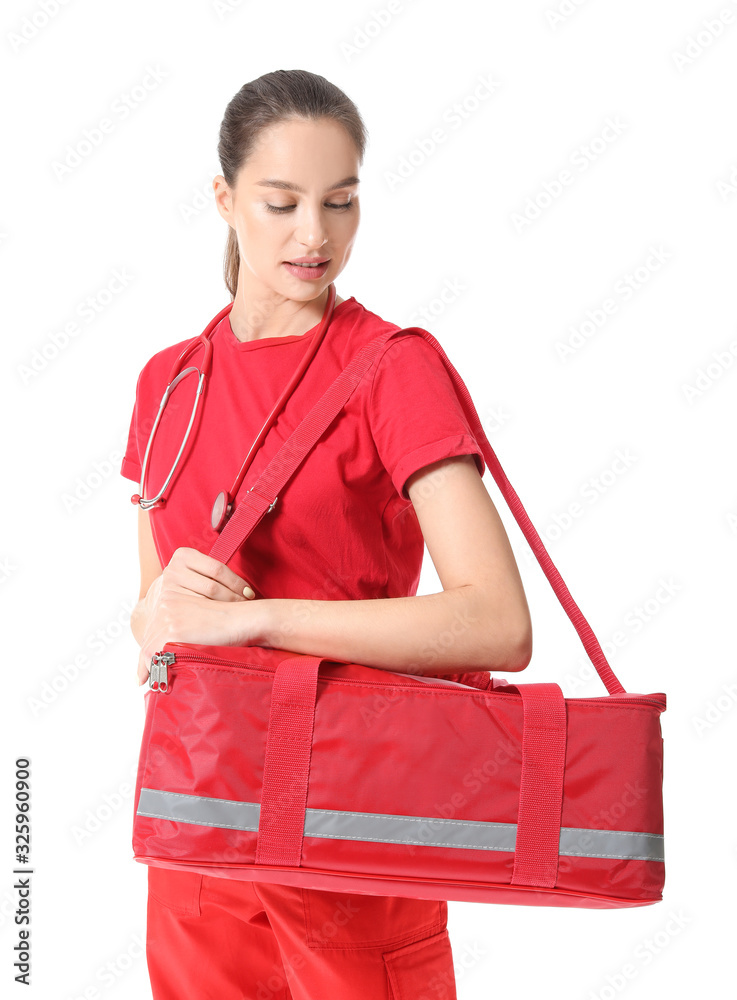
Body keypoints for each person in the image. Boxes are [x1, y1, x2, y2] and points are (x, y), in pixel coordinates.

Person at [121, 69, 532, 1000]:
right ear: (225, 200)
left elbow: (496, 622)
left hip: (348, 828)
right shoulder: (167, 385)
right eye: (281, 203)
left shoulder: (393, 370)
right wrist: (156, 626)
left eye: (340, 201)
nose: (315, 235)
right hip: (197, 835)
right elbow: (157, 615)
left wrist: (257, 621)